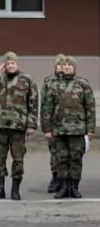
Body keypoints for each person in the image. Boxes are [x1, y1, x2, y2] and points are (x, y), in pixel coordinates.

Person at [0, 52, 38, 200]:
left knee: (18, 159)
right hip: (0, 126)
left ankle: (15, 189)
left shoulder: (27, 80)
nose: (10, 65)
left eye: (12, 63)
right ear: (4, 65)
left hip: (18, 126)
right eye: (7, 63)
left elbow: (33, 103)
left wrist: (31, 124)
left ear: (17, 64)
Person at [41, 56, 95, 198]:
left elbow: (90, 107)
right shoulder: (53, 85)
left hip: (77, 129)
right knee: (61, 159)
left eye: (70, 65)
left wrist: (90, 129)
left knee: (76, 158)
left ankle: (74, 187)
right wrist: (46, 129)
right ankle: (63, 186)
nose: (67, 67)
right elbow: (47, 108)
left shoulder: (83, 84)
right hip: (59, 129)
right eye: (64, 65)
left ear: (74, 67)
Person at [41, 55, 65, 193]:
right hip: (54, 124)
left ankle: (65, 180)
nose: (62, 67)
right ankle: (55, 177)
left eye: (64, 64)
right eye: (59, 65)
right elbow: (44, 106)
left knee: (67, 154)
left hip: (69, 125)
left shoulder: (74, 81)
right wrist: (46, 128)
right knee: (54, 152)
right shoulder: (48, 82)